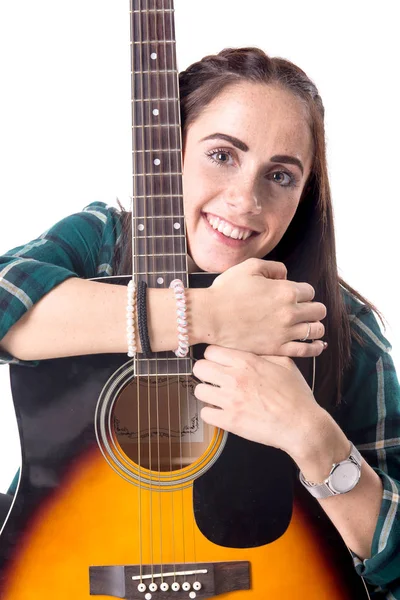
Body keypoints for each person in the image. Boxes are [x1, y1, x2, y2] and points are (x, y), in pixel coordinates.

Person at [0, 47, 399, 598]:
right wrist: (208, 315)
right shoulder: (100, 246)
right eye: (222, 155)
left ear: (304, 195)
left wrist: (310, 436)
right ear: (168, 156)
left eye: (280, 175)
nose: (245, 200)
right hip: (62, 569)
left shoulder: (338, 326)